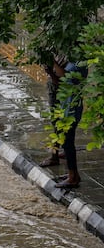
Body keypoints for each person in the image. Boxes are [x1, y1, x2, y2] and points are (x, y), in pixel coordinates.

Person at [55, 60, 88, 188]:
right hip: (66, 106)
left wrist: (53, 64)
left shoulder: (80, 64)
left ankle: (73, 177)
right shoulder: (73, 61)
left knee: (68, 143)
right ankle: (72, 174)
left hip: (72, 109)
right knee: (67, 143)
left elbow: (64, 77)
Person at [39, 54, 68, 168]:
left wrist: (51, 71)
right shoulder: (61, 49)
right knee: (61, 123)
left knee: (57, 122)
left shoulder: (70, 56)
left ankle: (54, 156)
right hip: (57, 88)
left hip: (60, 90)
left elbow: (60, 79)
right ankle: (64, 150)